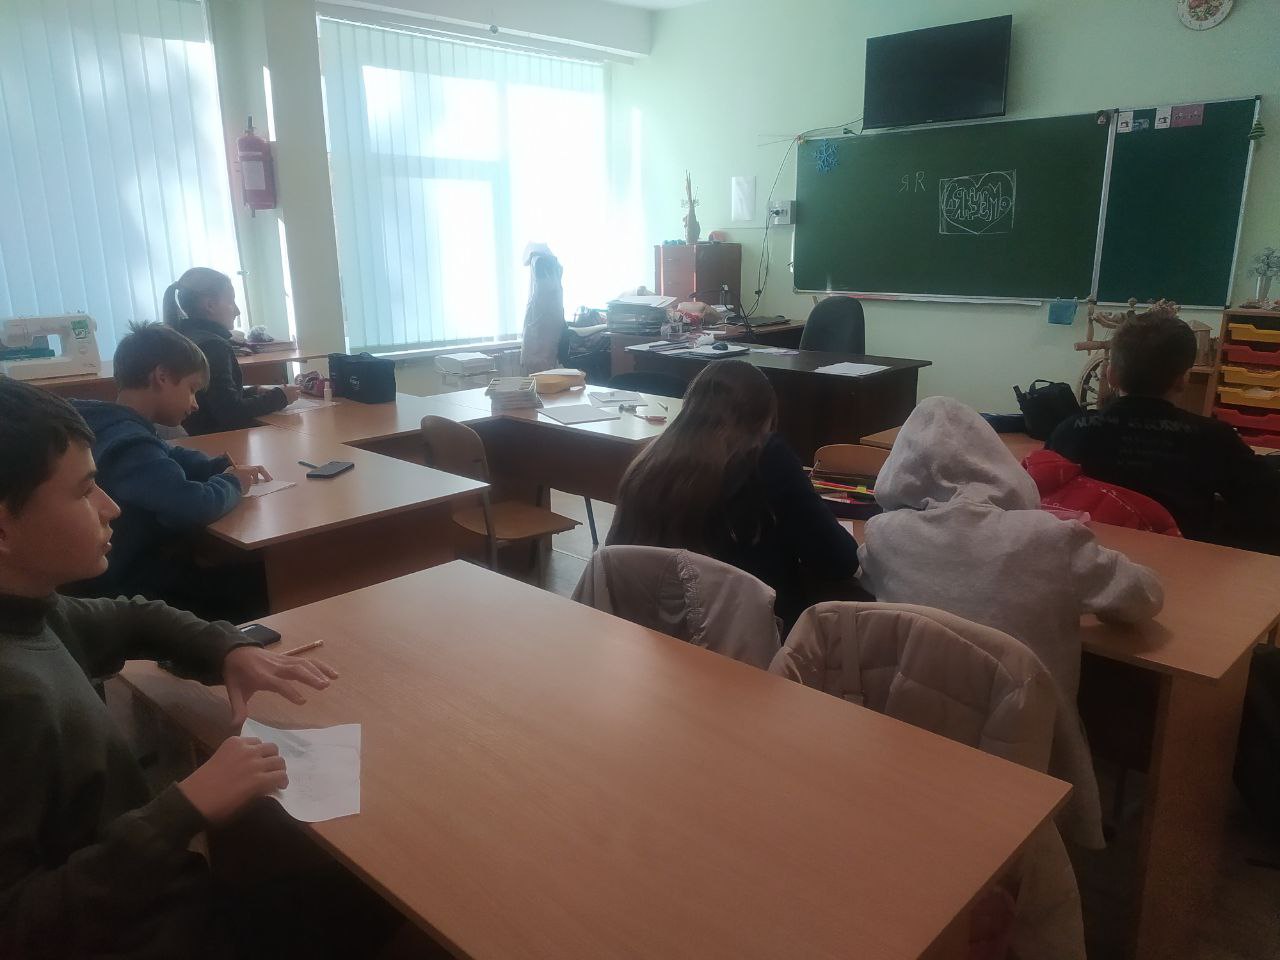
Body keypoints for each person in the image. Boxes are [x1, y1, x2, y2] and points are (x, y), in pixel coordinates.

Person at [0, 375, 337, 958]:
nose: (111, 507)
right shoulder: (14, 696)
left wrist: (226, 649)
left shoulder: (32, 610)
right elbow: (19, 926)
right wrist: (183, 809)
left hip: (156, 893)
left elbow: (134, 617)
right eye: (85, 491)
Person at [858, 396, 1164, 704]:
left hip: (909, 722)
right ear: (996, 460)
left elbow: (866, 575)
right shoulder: (1051, 538)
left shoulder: (883, 535)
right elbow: (1144, 597)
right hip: (1033, 729)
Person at [607, 360, 861, 628]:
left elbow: (616, 557)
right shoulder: (767, 458)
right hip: (749, 636)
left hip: (651, 631)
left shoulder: (648, 461)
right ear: (765, 417)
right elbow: (839, 561)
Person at [67, 322, 272, 622]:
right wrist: (232, 482)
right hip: (130, 587)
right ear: (161, 376)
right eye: (191, 389)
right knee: (262, 584)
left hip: (117, 572)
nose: (195, 404)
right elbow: (194, 505)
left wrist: (213, 465)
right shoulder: (130, 445)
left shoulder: (111, 425)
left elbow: (168, 453)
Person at [1047, 310, 1280, 551]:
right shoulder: (1213, 439)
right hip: (1178, 566)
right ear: (1183, 380)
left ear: (1111, 375)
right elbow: (1268, 504)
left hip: (1090, 559)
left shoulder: (1069, 431)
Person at [163, 268, 300, 435]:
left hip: (198, 436)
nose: (237, 311)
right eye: (231, 302)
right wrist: (281, 397)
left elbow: (212, 398)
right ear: (210, 306)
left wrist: (252, 391)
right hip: (219, 440)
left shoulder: (184, 337)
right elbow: (230, 412)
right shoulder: (214, 346)